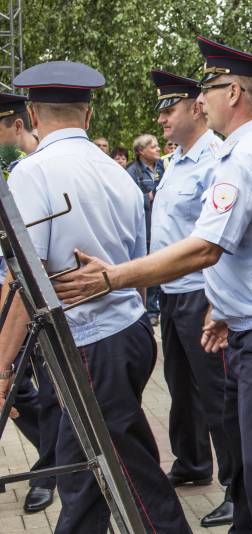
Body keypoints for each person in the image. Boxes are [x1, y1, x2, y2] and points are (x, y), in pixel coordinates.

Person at [54, 37, 252, 533]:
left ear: (232, 92)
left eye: (208, 89)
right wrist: (224, 305)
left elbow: (204, 248)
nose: (201, 100)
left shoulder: (246, 157)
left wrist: (112, 277)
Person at [0, 60, 190, 534]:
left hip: (88, 343)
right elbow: (136, 266)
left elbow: (24, 281)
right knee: (83, 471)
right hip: (125, 332)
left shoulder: (32, 172)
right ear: (87, 115)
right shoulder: (116, 172)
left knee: (130, 474)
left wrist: (1, 368)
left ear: (33, 115)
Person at [149, 68, 234, 527]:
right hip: (172, 293)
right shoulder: (176, 161)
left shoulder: (215, 160)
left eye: (170, 108)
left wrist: (216, 302)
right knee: (181, 386)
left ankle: (237, 488)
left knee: (217, 392)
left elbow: (216, 240)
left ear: (197, 108)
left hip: (202, 292)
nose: (162, 118)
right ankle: (192, 462)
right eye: (160, 110)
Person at [0, 92, 60, 514]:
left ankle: (49, 473)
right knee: (17, 390)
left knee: (51, 390)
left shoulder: (41, 169)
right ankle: (53, 458)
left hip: (38, 301)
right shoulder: (11, 169)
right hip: (9, 296)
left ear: (18, 125)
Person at [127, 133, 163, 325]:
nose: (158, 149)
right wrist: (146, 197)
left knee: (160, 266)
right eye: (153, 146)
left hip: (162, 227)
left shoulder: (164, 167)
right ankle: (147, 310)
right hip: (145, 228)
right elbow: (128, 199)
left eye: (157, 145)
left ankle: (156, 308)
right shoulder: (132, 171)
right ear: (141, 151)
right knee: (147, 267)